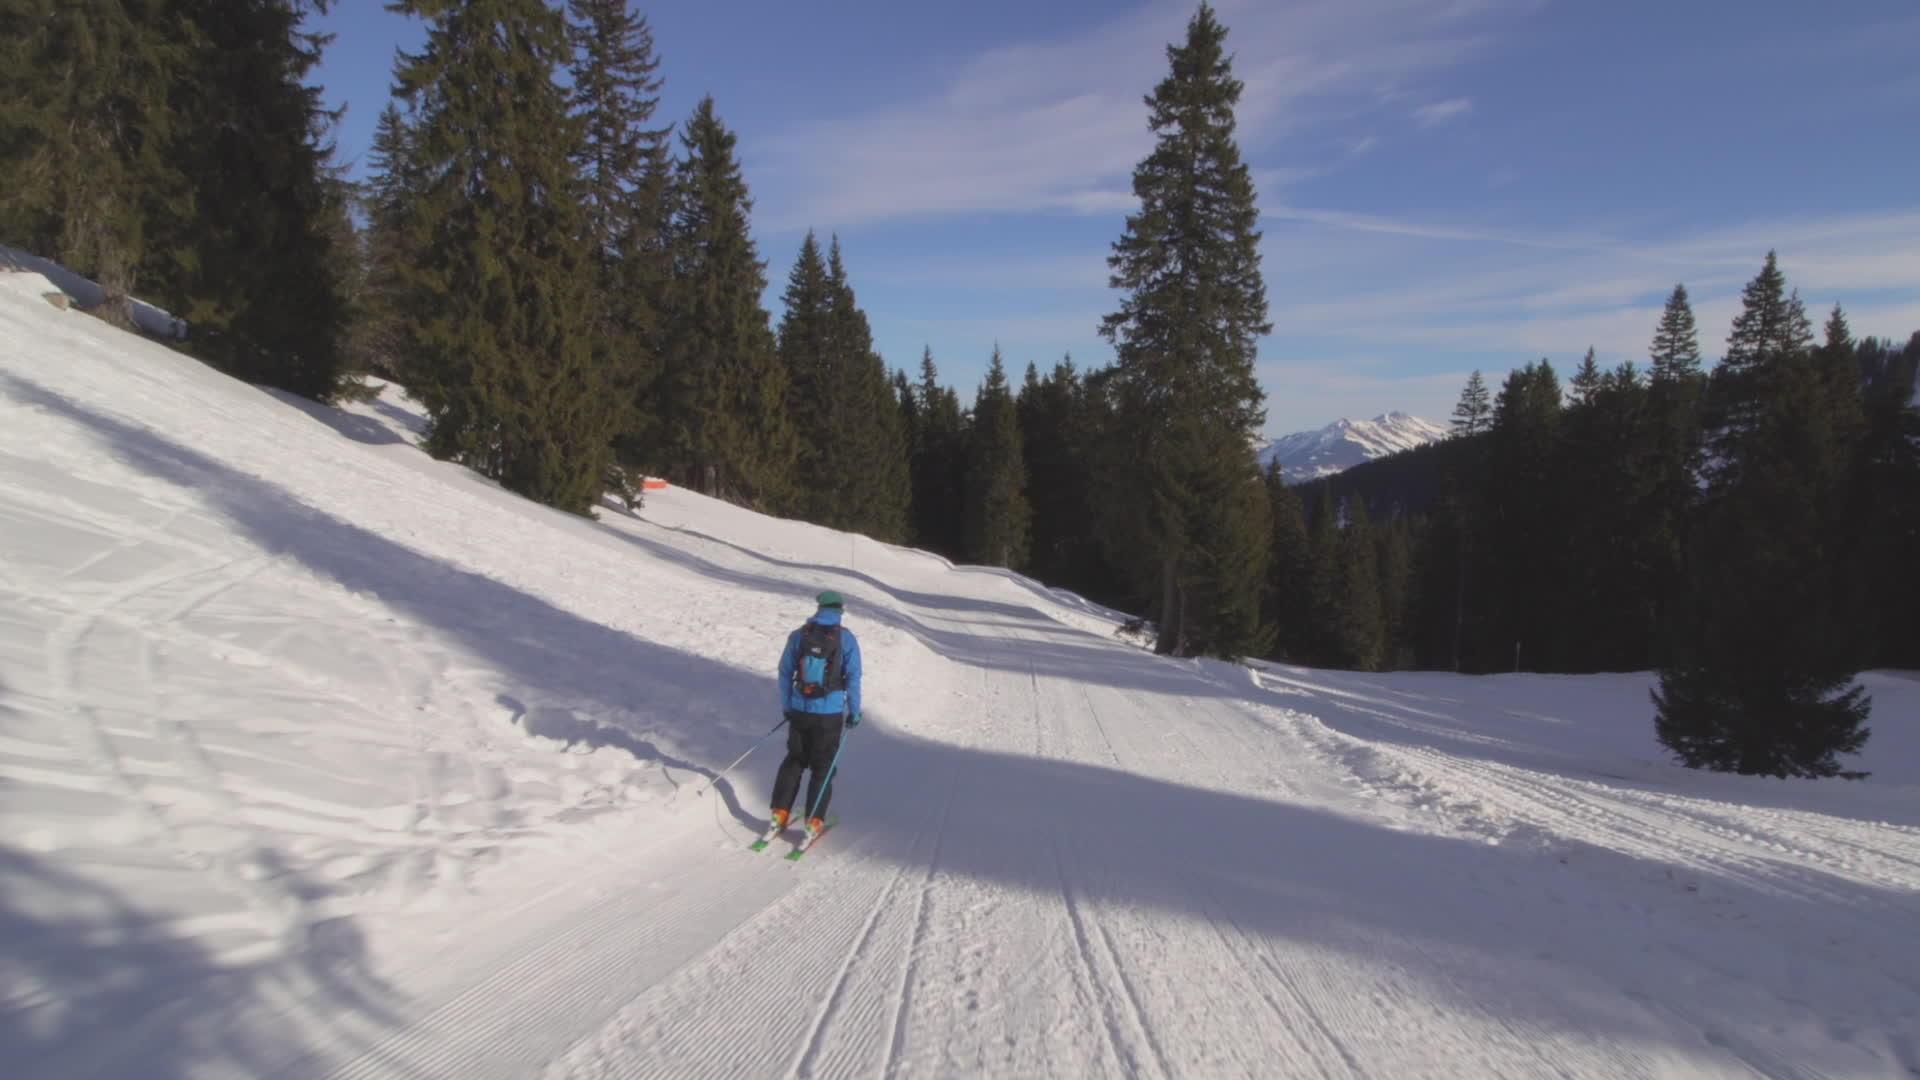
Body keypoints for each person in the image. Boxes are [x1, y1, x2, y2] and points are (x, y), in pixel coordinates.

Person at [771, 590, 863, 839]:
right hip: (829, 713)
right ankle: (813, 821)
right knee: (823, 766)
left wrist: (787, 705)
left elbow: (784, 672)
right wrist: (854, 712)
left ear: (818, 608)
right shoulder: (846, 639)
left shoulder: (800, 635)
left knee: (795, 760)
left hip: (800, 709)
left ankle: (779, 812)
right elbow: (854, 677)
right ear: (839, 611)